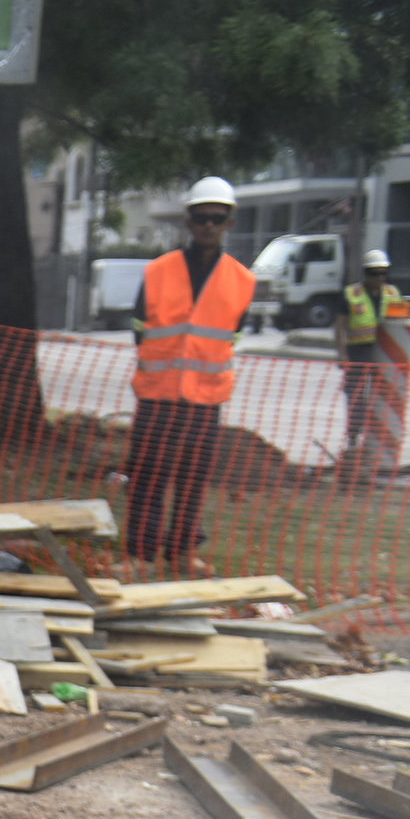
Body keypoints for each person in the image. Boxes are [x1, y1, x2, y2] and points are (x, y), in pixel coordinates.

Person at [123, 177, 257, 577]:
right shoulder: (159, 271)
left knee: (193, 479)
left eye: (217, 218)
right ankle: (139, 556)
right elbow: (138, 327)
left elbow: (232, 335)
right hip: (158, 395)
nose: (209, 226)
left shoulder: (242, 281)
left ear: (229, 222)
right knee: (148, 474)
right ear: (189, 221)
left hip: (205, 399)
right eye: (201, 218)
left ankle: (182, 552)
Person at [335, 248, 410, 481]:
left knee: (384, 398)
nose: (378, 278)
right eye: (373, 273)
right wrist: (341, 354)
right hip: (359, 351)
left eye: (382, 273)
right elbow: (340, 326)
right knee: (357, 396)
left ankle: (379, 442)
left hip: (384, 354)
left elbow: (400, 324)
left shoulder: (393, 293)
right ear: (365, 273)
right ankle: (353, 438)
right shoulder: (351, 294)